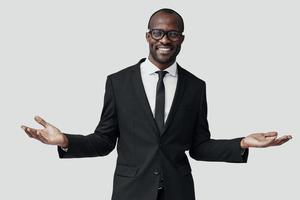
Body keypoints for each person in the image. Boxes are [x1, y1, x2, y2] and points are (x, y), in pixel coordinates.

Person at [21, 8, 292, 200]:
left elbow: (199, 147)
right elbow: (104, 141)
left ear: (182, 39)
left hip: (179, 192)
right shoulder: (118, 82)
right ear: (148, 36)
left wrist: (242, 143)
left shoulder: (196, 86)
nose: (165, 39)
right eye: (158, 32)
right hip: (131, 193)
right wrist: (65, 140)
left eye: (173, 34)